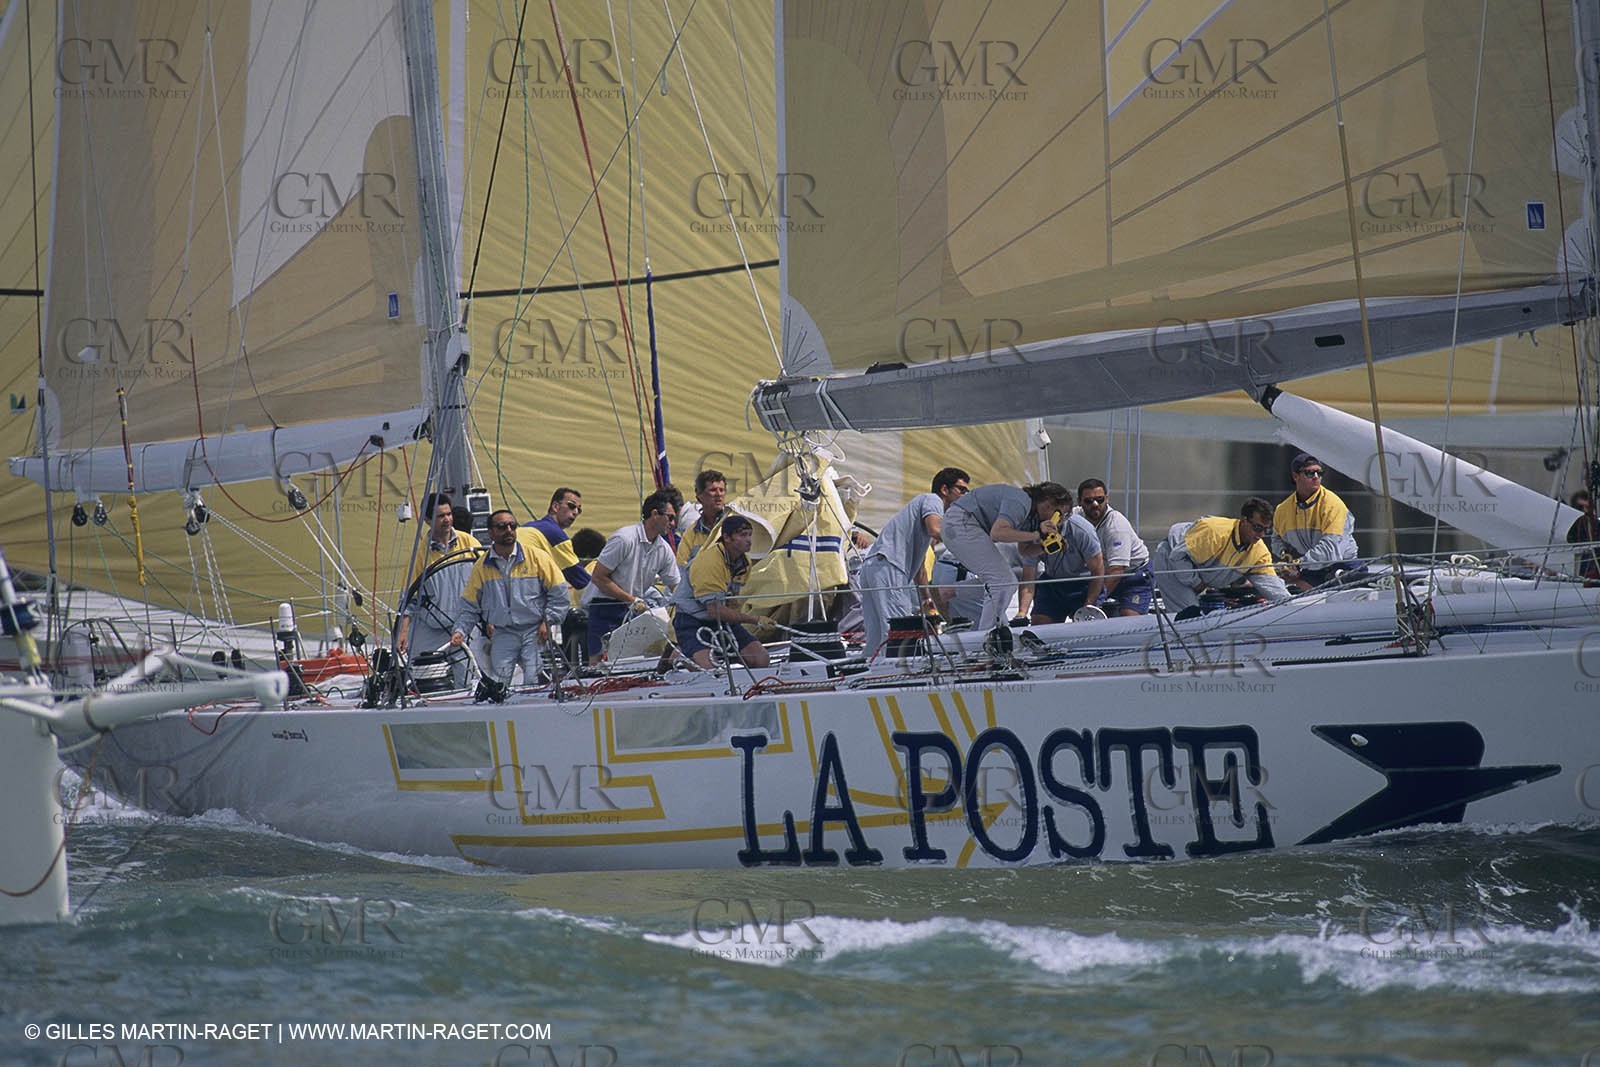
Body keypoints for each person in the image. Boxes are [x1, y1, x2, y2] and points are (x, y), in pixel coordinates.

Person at [450, 510, 568, 697]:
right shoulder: (481, 566)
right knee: (499, 685)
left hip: (535, 631)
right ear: (490, 532)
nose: (509, 530)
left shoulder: (538, 558)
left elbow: (559, 594)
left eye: (512, 525)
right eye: (502, 526)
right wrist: (460, 631)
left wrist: (548, 621)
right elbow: (470, 606)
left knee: (535, 681)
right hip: (503, 632)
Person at [857, 468, 967, 657]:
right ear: (944, 489)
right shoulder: (933, 500)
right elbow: (934, 529)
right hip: (890, 566)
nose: (965, 495)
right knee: (900, 629)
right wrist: (968, 542)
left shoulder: (918, 516)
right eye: (961, 489)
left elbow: (920, 569)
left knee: (876, 636)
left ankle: (870, 667)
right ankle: (898, 669)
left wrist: (926, 600)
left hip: (874, 566)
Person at [941, 481, 1073, 633]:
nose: (1059, 521)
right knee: (1003, 581)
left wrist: (1044, 547)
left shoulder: (1031, 517)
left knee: (1006, 583)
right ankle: (986, 635)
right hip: (961, 522)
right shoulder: (1021, 502)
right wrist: (1037, 535)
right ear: (1048, 502)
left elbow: (1025, 551)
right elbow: (997, 533)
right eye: (1059, 514)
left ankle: (948, 592)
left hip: (960, 524)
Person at [582, 488, 683, 661]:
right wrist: (632, 600)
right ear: (654, 514)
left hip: (633, 610)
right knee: (599, 663)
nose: (673, 524)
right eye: (670, 517)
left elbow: (676, 587)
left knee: (631, 661)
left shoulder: (663, 550)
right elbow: (598, 577)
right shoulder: (624, 538)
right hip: (605, 606)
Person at [1153, 497, 1291, 615]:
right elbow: (1178, 556)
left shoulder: (1259, 552)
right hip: (1170, 558)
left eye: (1266, 529)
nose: (1261, 535)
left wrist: (1291, 605)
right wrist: (1196, 582)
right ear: (1244, 520)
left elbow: (1272, 586)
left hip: (1194, 573)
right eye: (1257, 528)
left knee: (1197, 616)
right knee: (1189, 616)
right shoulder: (1214, 532)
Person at [395, 493, 480, 685]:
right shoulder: (420, 555)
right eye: (441, 516)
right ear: (427, 520)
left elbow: (486, 582)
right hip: (432, 629)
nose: (447, 519)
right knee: (425, 680)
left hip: (465, 626)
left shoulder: (470, 544)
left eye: (449, 514)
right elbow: (409, 598)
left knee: (468, 683)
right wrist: (402, 632)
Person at [671, 513, 774, 668]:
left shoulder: (744, 563)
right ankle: (680, 653)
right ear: (726, 538)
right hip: (691, 619)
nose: (748, 540)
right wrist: (756, 620)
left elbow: (732, 601)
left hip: (721, 619)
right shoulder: (710, 562)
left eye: (749, 535)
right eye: (742, 535)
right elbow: (714, 610)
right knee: (709, 669)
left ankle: (702, 653)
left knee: (761, 660)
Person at [1272, 453, 1360, 591]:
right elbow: (1276, 540)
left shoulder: (1333, 505)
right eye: (1309, 473)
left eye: (1319, 473)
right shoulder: (1282, 510)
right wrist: (1286, 556)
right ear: (1295, 476)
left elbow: (1330, 550)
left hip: (1343, 567)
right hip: (1310, 570)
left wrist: (1299, 564)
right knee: (1290, 592)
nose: (1316, 477)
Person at [1073, 479, 1153, 616]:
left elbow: (1117, 570)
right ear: (1079, 501)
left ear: (1107, 498)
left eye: (1100, 499)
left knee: (1130, 617)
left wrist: (1092, 605)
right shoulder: (1075, 516)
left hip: (1134, 575)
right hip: (1099, 573)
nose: (1095, 504)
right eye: (1089, 501)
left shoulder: (1116, 526)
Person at [1029, 505, 1105, 624]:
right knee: (1039, 624)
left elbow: (1098, 571)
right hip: (1052, 583)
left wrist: (1088, 606)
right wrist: (1021, 613)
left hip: (1083, 583)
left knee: (1085, 627)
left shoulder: (1082, 529)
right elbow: (1028, 574)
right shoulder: (1032, 528)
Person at [525, 488, 591, 591]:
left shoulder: (527, 526)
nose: (575, 512)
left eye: (579, 510)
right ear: (555, 506)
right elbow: (581, 579)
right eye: (571, 506)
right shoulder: (554, 533)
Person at [676, 469, 728, 573]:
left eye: (722, 490)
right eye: (713, 490)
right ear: (699, 495)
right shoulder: (690, 534)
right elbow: (682, 569)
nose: (719, 494)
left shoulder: (734, 524)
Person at [1567, 489, 1600, 580]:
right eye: (1580, 507)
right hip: (1574, 565)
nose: (1585, 510)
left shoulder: (1596, 524)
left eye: (1588, 507)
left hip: (1593, 566)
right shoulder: (1570, 524)